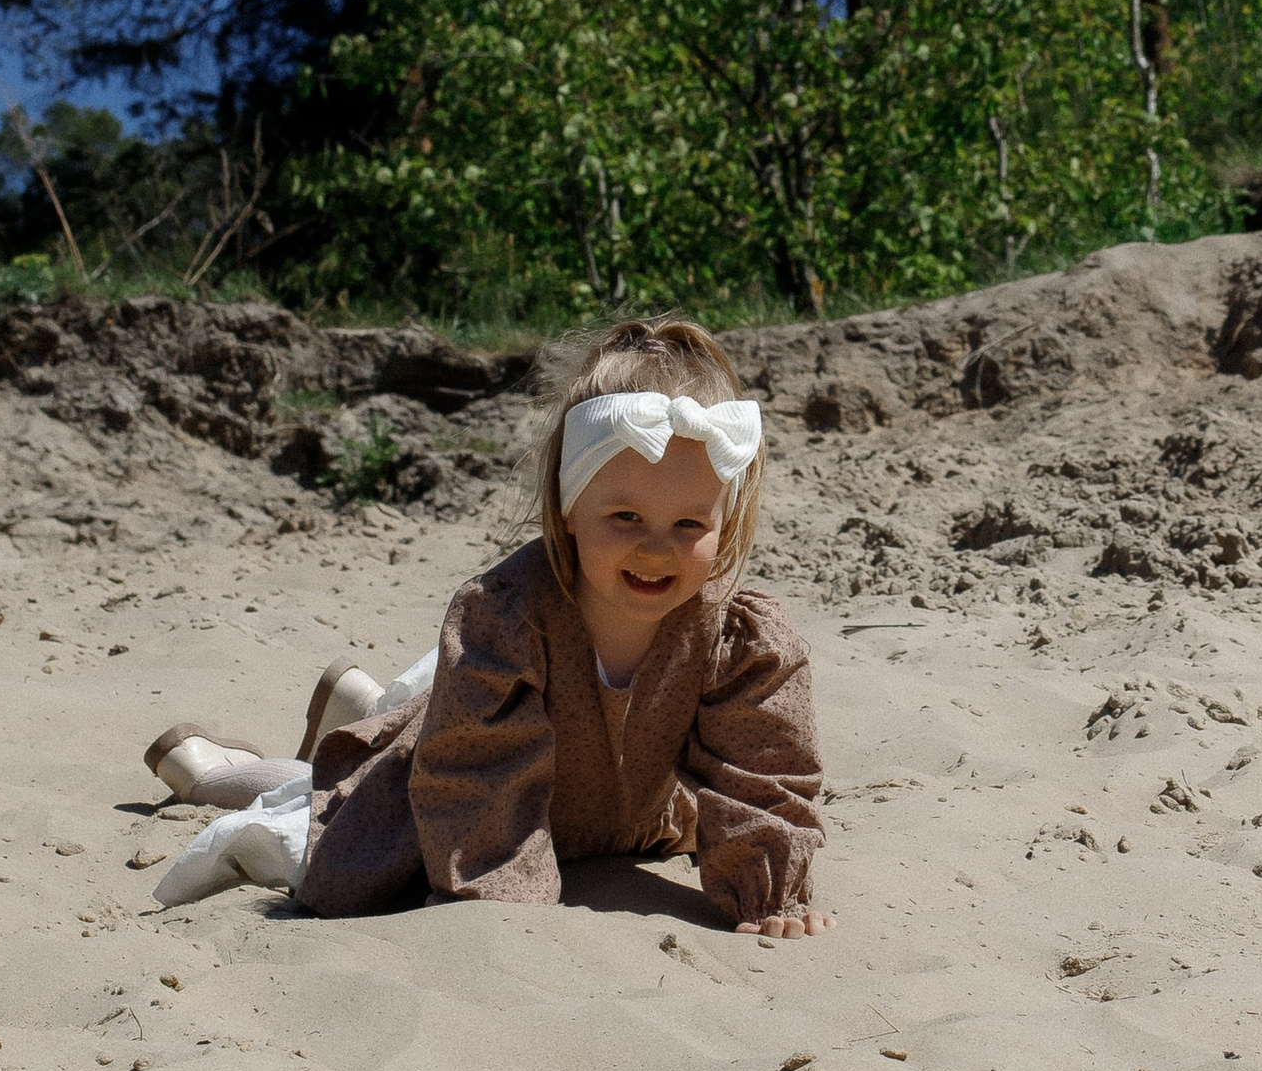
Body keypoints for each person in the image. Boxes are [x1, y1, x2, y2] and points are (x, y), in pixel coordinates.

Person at [143, 316, 830, 940]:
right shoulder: (505, 616)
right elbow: (473, 787)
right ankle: (214, 772)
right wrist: (505, 899)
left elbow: (763, 767)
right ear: (567, 507)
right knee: (323, 810)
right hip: (468, 801)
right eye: (625, 518)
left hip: (624, 816)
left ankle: (368, 702)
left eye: (689, 525)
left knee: (401, 720)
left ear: (725, 521)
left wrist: (769, 894)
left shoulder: (738, 634)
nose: (656, 547)